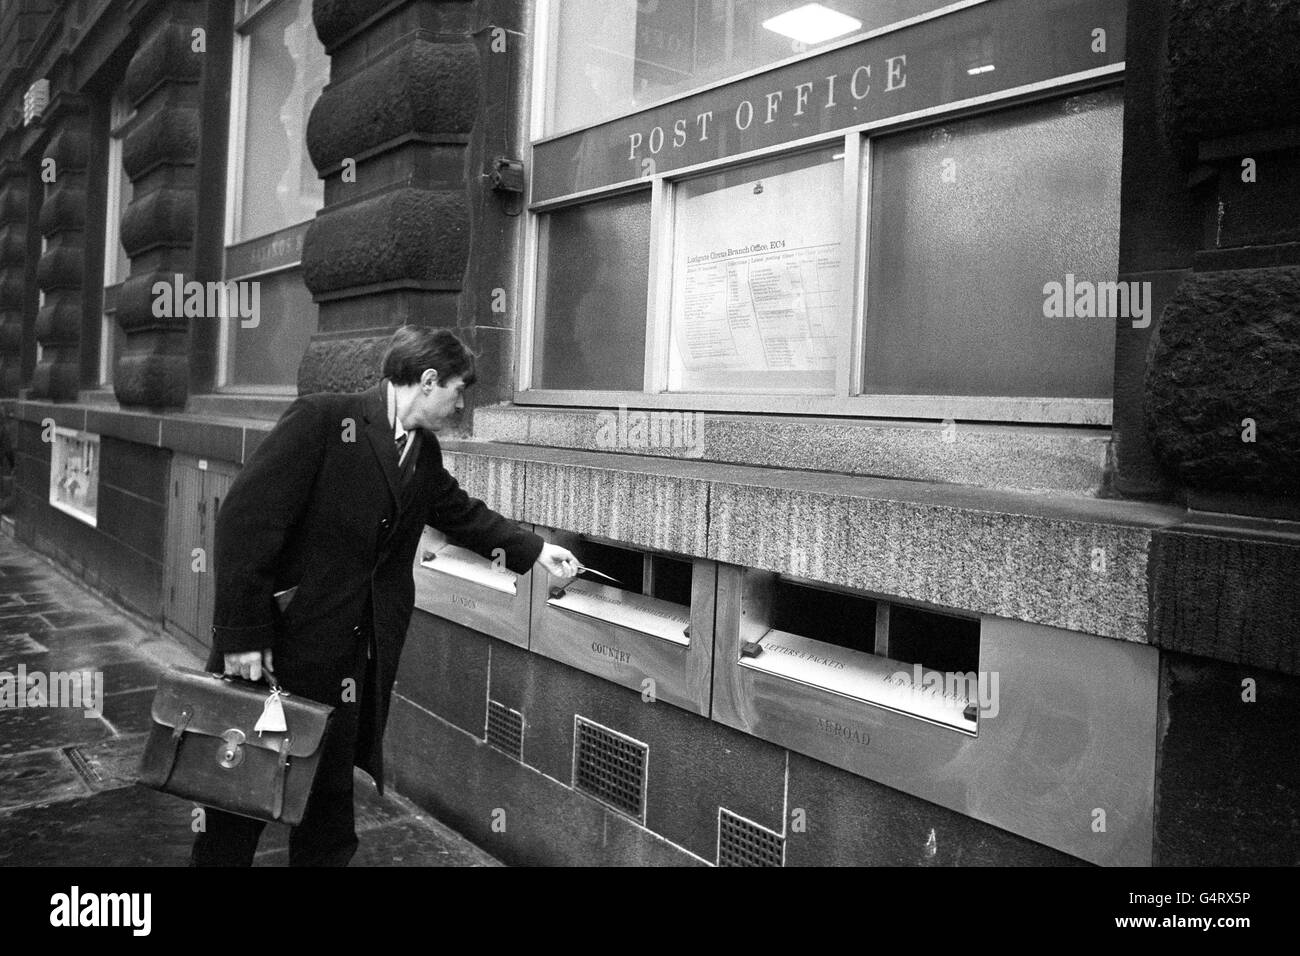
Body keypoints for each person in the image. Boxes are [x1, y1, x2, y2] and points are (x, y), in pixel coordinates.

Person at [190, 326, 578, 866]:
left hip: (353, 656)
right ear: (427, 381)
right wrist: (242, 637)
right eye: (459, 390)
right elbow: (244, 524)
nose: (461, 404)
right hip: (281, 647)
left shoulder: (422, 452)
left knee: (327, 802)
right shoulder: (324, 420)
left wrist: (535, 550)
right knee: (242, 796)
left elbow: (457, 511)